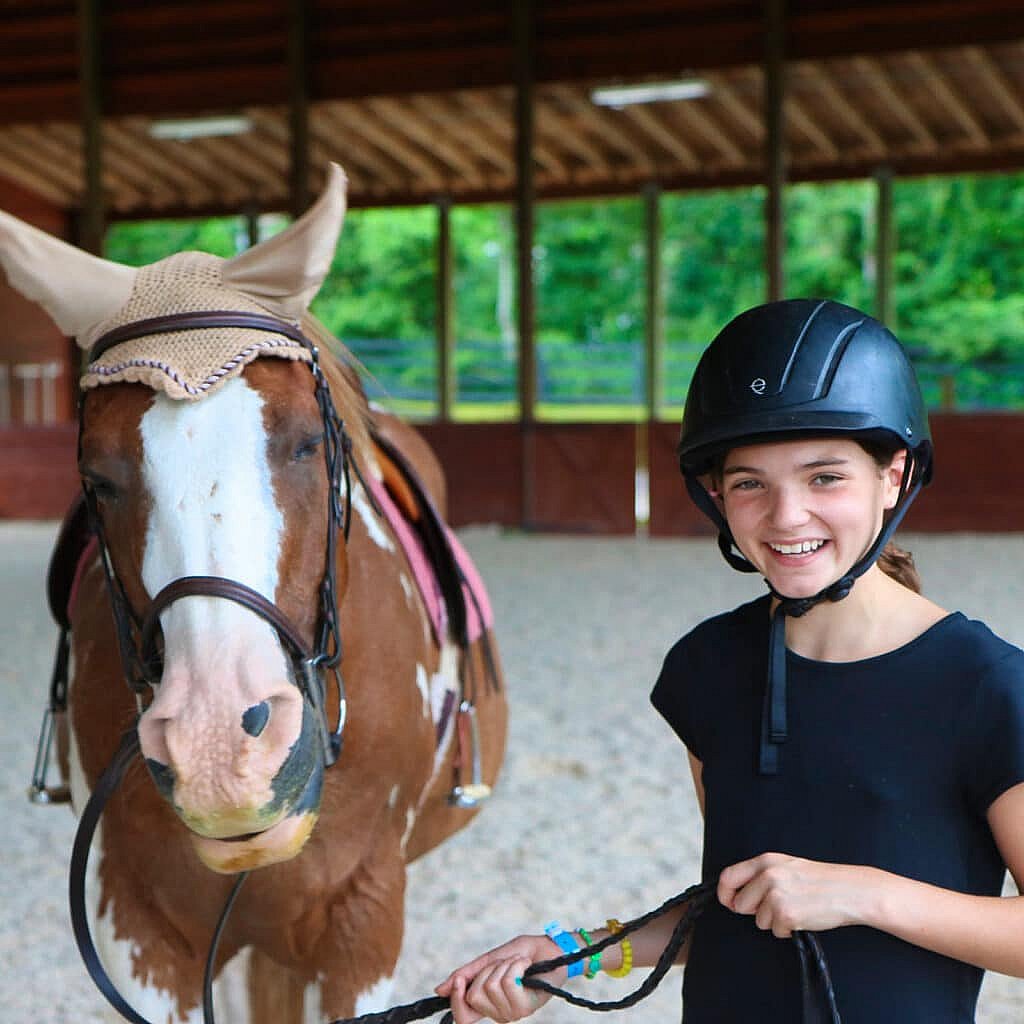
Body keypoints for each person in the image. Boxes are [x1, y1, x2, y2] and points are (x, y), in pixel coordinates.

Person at [435, 298, 1024, 1023]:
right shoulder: (708, 667)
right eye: (750, 483)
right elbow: (738, 902)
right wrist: (566, 954)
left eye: (824, 477)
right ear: (717, 495)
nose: (785, 516)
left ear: (893, 476)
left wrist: (866, 894)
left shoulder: (989, 686)